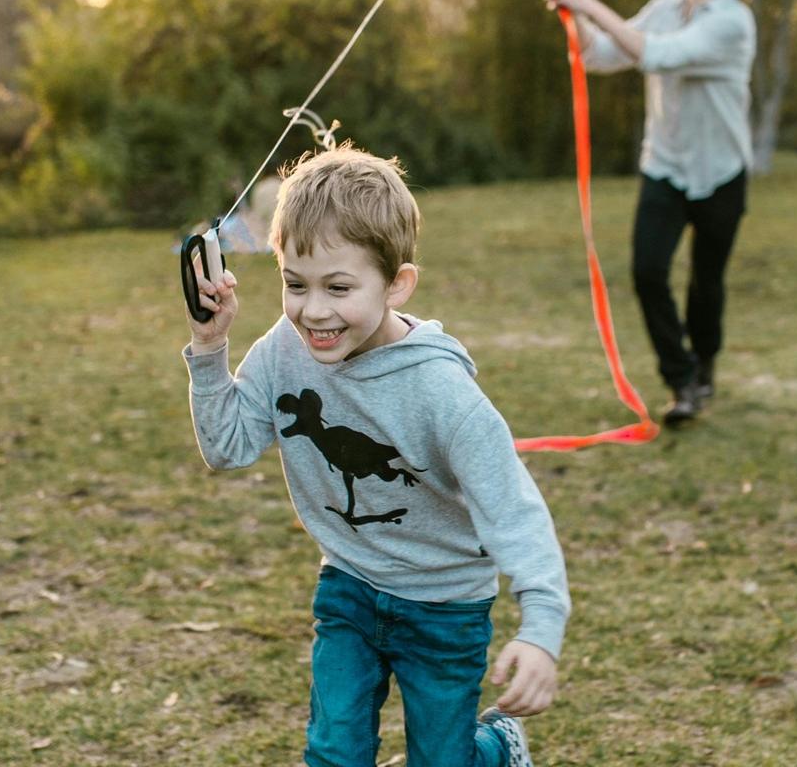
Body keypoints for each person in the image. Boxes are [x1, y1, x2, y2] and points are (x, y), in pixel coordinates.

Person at [182, 145, 568, 767]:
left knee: (443, 761)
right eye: (295, 284)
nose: (314, 310)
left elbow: (513, 509)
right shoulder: (285, 349)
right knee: (333, 752)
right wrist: (209, 346)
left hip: (446, 607)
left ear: (396, 285)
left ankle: (496, 746)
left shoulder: (444, 394)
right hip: (350, 587)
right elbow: (227, 448)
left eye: (338, 287)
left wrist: (542, 629)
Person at [541, 0, 760, 427]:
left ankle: (704, 363)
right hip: (664, 165)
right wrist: (572, 14)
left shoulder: (732, 22)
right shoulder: (665, 7)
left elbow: (657, 55)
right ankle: (682, 381)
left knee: (706, 282)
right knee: (647, 271)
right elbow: (602, 55)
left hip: (722, 171)